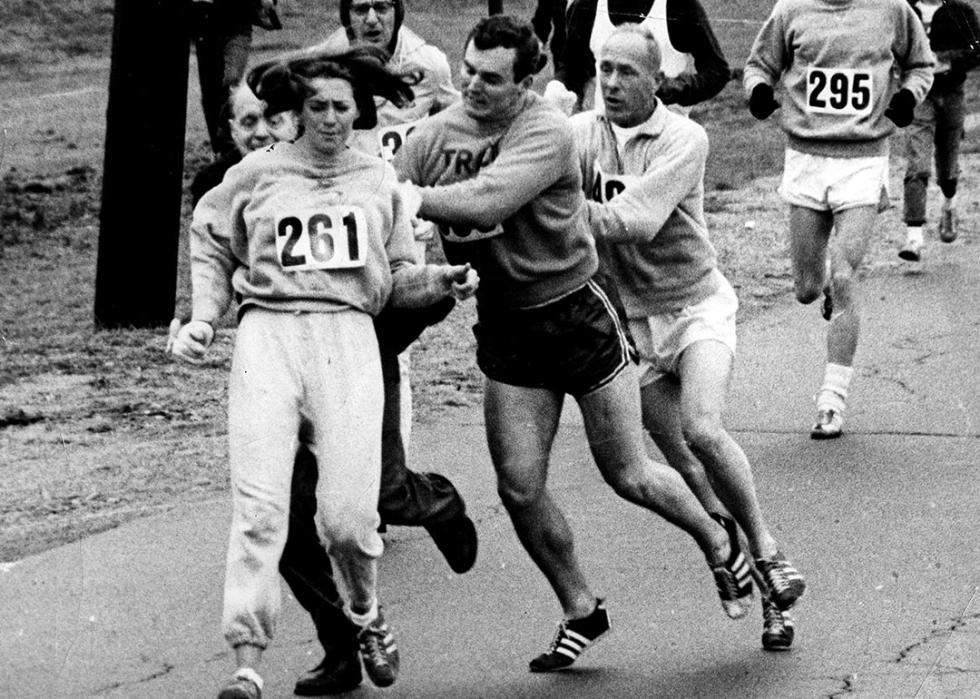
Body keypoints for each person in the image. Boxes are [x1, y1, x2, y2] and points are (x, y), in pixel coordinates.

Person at [395, 14, 756, 673]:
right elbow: (392, 222)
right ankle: (580, 608)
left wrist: (404, 196)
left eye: (493, 79)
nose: (474, 87)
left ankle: (716, 536)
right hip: (508, 326)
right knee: (519, 486)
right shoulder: (428, 140)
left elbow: (485, 201)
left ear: (526, 81)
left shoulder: (547, 131)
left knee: (628, 471)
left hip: (577, 314)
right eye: (468, 71)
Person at [170, 47, 479, 699]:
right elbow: (209, 236)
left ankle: (366, 615)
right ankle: (247, 662)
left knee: (346, 517)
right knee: (261, 509)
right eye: (318, 106)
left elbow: (397, 277)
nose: (331, 118)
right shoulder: (257, 176)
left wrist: (440, 281)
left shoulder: (379, 183)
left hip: (347, 337)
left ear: (358, 111)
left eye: (342, 106)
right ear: (299, 110)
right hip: (269, 334)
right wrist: (203, 316)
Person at [570, 23, 806, 651]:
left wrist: (555, 207)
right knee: (691, 477)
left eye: (626, 72)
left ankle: (767, 548)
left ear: (658, 81)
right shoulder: (577, 135)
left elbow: (639, 220)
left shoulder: (685, 137)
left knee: (703, 429)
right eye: (603, 69)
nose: (611, 82)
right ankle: (754, 587)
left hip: (695, 305)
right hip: (631, 323)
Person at [744, 0, 934, 439]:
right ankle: (826, 284)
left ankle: (832, 401)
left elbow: (922, 64)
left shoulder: (892, 9)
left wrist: (906, 96)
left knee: (845, 274)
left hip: (863, 159)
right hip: (806, 157)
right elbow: (760, 64)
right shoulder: (791, 9)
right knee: (808, 289)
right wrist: (757, 91)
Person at [545, 0, 730, 115]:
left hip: (665, 139)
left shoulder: (678, 6)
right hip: (607, 134)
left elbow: (717, 71)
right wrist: (557, 87)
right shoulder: (587, 6)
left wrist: (673, 88)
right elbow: (572, 67)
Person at [898, 0, 980, 262]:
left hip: (952, 93)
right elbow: (891, 47)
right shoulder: (905, 9)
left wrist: (945, 60)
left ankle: (949, 201)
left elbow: (976, 50)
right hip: (919, 96)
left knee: (947, 168)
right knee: (917, 163)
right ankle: (914, 236)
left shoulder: (960, 12)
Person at [188, 0, 283, 156]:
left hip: (238, 27)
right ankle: (220, 148)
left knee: (231, 82)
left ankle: (233, 142)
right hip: (206, 28)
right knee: (211, 91)